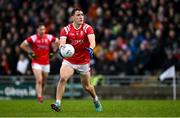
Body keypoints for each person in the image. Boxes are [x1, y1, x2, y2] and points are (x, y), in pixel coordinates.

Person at [51, 8, 102, 112]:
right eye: (78, 15)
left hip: (83, 61)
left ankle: (95, 99)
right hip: (70, 60)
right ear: (72, 17)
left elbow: (92, 41)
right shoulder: (65, 30)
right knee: (63, 78)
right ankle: (58, 103)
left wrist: (91, 49)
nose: (81, 17)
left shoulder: (88, 28)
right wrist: (61, 50)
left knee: (87, 87)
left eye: (82, 15)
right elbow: (62, 44)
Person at [20, 23, 59, 103]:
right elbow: (22, 45)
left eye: (44, 29)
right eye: (41, 29)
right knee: (39, 80)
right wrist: (30, 51)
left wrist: (54, 51)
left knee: (44, 81)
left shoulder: (49, 37)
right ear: (37, 30)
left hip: (46, 62)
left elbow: (58, 42)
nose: (42, 31)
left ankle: (40, 94)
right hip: (36, 62)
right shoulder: (33, 38)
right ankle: (39, 98)